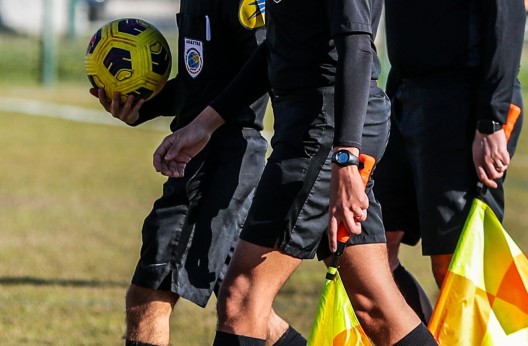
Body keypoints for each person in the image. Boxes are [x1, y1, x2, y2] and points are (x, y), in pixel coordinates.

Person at [153, 0, 439, 345]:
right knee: (375, 306)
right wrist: (205, 124)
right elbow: (277, 46)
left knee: (242, 297)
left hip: (325, 135)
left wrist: (345, 158)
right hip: (321, 132)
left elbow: (357, 46)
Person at [90, 2, 300, 345]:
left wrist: (204, 127)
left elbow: (263, 68)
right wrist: (141, 107)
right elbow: (203, 82)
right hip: (200, 157)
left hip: (220, 160)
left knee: (148, 294)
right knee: (248, 308)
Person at [373, 0, 526, 323]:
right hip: (404, 92)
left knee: (455, 266)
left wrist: (492, 119)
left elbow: (508, 11)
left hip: (464, 101)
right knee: (371, 252)